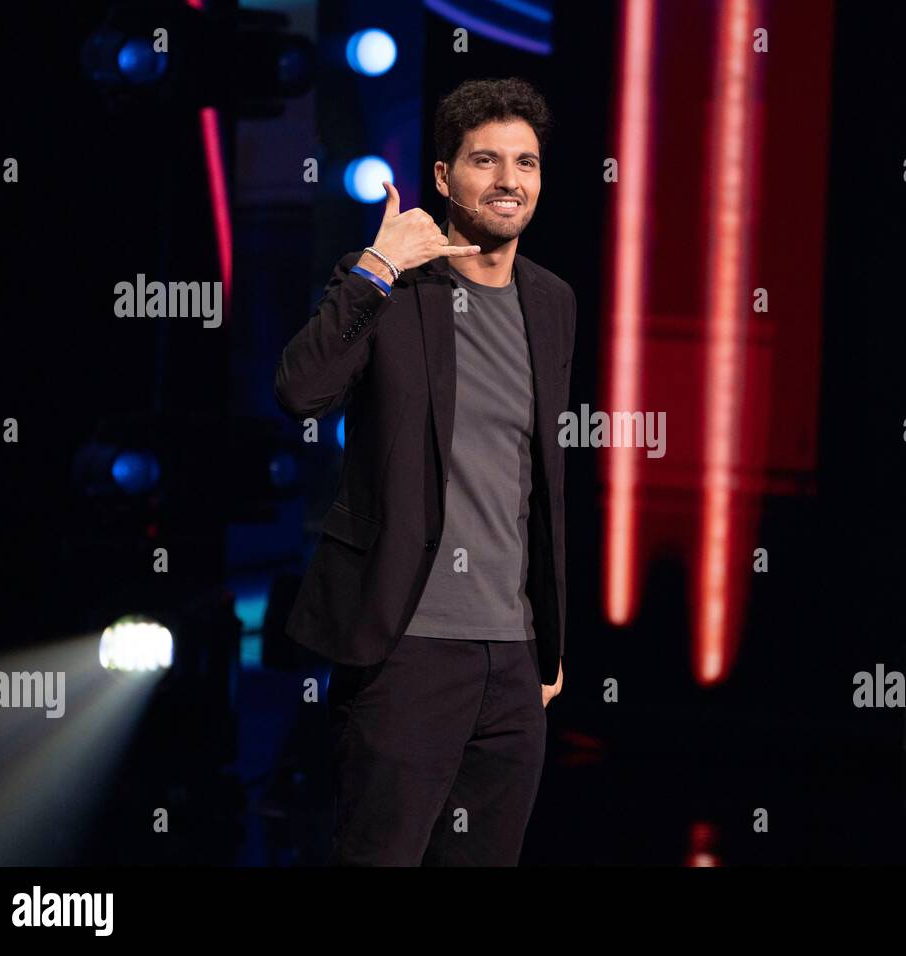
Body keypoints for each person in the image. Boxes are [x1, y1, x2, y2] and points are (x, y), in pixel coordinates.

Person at [274, 77, 574, 865]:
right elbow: (301, 391)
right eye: (485, 160)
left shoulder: (553, 302)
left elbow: (538, 483)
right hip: (404, 647)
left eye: (527, 163)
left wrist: (547, 637)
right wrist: (376, 265)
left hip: (513, 662)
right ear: (444, 178)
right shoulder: (393, 288)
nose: (510, 180)